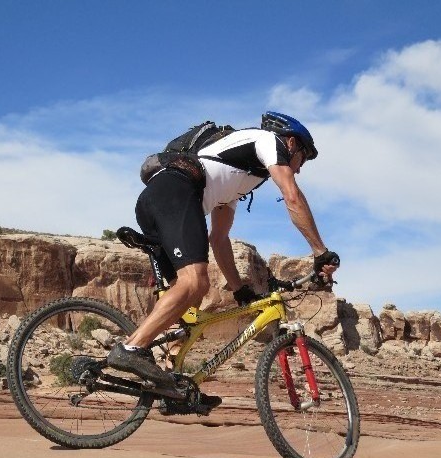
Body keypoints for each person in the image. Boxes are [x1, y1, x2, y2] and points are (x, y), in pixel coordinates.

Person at [107, 112, 339, 404]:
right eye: (302, 159)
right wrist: (320, 251)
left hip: (160, 200)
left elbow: (218, 238)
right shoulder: (267, 141)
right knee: (196, 281)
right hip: (175, 192)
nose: (300, 169)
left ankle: (169, 387)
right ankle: (131, 350)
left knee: (187, 306)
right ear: (291, 143)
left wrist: (239, 288)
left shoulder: (238, 175)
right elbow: (291, 195)